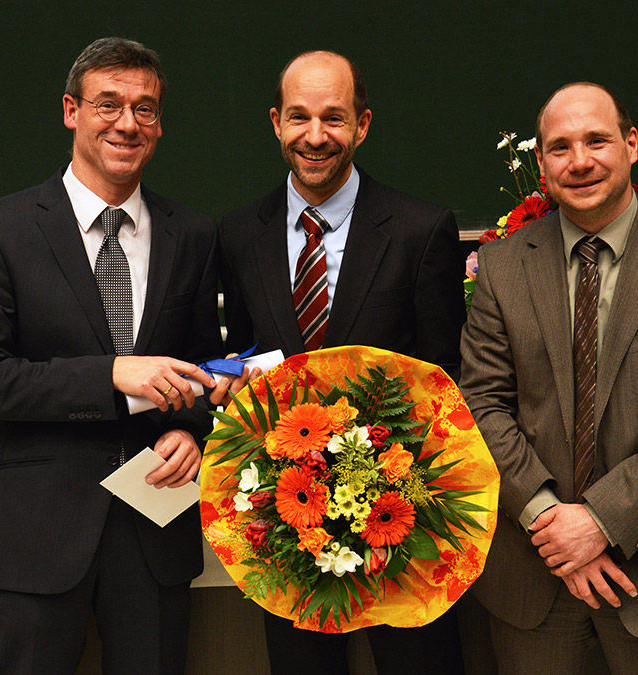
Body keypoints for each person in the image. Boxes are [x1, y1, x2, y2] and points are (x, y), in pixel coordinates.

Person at [0, 37, 242, 674]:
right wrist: (111, 375)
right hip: (39, 531)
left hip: (154, 524)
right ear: (70, 110)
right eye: (108, 104)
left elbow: (200, 365)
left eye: (146, 108)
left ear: (159, 125)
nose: (127, 122)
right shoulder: (0, 228)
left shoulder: (192, 234)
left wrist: (191, 430)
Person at [460, 82, 638, 673]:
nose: (580, 160)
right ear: (540, 163)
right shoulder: (504, 267)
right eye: (560, 147)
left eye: (597, 140)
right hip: (531, 582)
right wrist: (548, 520)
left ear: (631, 144)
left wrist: (598, 522)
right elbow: (482, 404)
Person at [220, 51, 467, 675]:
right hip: (286, 525)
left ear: (362, 125)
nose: (315, 136)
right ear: (276, 122)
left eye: (334, 118)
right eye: (299, 117)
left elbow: (447, 383)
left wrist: (395, 490)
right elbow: (244, 362)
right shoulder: (236, 235)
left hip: (403, 528)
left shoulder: (421, 230)